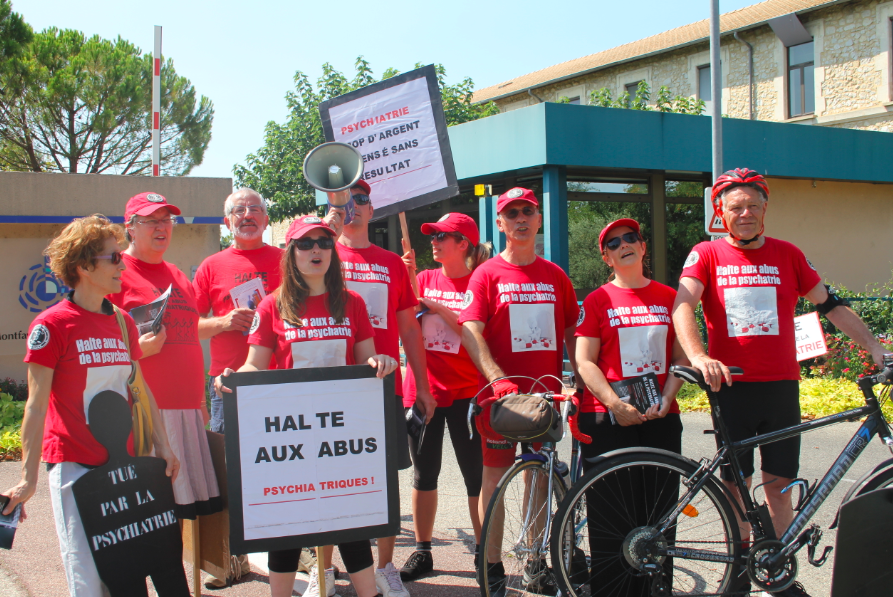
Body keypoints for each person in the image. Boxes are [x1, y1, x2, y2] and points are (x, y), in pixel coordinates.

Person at [672, 168, 890, 597]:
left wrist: (874, 346)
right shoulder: (706, 253)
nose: (746, 213)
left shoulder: (788, 254)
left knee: (779, 484)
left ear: (765, 208)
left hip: (780, 385)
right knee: (736, 484)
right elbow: (682, 304)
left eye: (754, 204)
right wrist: (699, 356)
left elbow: (832, 305)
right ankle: (738, 566)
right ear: (721, 211)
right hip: (731, 386)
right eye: (736, 207)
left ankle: (778, 572)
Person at [215, 215, 398, 597]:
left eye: (324, 242)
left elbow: (366, 361)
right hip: (291, 445)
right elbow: (255, 365)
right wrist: (232, 376)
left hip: (342, 440)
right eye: (305, 243)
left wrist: (381, 363)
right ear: (291, 252)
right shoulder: (271, 306)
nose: (317, 250)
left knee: (352, 526)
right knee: (287, 532)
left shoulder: (353, 303)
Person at [1, 215, 180, 597]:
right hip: (75, 468)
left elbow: (139, 389)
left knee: (127, 573)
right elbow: (35, 406)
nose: (122, 265)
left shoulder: (122, 323)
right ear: (83, 266)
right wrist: (28, 477)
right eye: (113, 258)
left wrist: (163, 445)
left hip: (124, 466)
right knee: (88, 578)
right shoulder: (51, 326)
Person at [458, 187, 581, 596]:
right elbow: (470, 329)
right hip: (501, 401)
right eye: (512, 214)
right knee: (493, 480)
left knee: (540, 479)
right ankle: (490, 563)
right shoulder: (487, 274)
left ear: (539, 218)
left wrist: (577, 378)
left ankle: (533, 560)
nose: (521, 219)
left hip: (544, 399)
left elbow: (571, 333)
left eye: (527, 211)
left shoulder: (555, 276)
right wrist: (495, 377)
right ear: (501, 223)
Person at [324, 179, 436, 597]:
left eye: (363, 199)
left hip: (382, 388)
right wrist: (326, 228)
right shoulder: (318, 251)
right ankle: (327, 568)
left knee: (385, 479)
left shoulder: (391, 263)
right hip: (331, 388)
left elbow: (409, 327)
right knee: (331, 478)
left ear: (374, 210)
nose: (355, 204)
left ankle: (386, 567)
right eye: (345, 198)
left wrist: (421, 385)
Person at [574, 218, 689, 595]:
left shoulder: (670, 297)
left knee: (657, 515)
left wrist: (669, 397)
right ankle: (610, 590)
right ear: (606, 257)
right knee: (610, 514)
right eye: (613, 243)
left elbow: (681, 356)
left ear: (642, 247)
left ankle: (655, 588)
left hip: (660, 416)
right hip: (607, 418)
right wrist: (613, 402)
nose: (623, 244)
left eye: (630, 238)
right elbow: (585, 361)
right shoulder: (597, 300)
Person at [108, 192, 222, 520]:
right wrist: (136, 351)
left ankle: (191, 572)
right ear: (130, 228)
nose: (162, 227)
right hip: (145, 413)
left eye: (166, 220)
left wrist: (200, 405)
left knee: (188, 512)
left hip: (188, 410)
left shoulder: (176, 274)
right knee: (149, 512)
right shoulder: (116, 271)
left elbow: (188, 333)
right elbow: (98, 338)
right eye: (151, 220)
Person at [193, 187, 284, 588]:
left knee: (284, 466)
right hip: (227, 383)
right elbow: (190, 325)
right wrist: (225, 322)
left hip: (281, 379)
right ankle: (233, 562)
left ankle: (291, 556)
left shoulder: (288, 259)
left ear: (266, 219)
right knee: (229, 473)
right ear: (226, 220)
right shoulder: (211, 265)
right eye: (238, 210)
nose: (247, 214)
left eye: (255, 209)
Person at [397, 213, 490, 581]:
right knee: (424, 473)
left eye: (442, 236)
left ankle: (485, 552)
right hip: (424, 392)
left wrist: (437, 308)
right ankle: (423, 552)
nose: (433, 241)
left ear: (463, 243)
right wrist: (406, 282)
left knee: (475, 476)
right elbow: (406, 321)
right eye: (432, 236)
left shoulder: (479, 281)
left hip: (468, 392)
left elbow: (473, 330)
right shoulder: (422, 278)